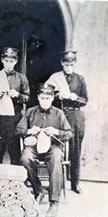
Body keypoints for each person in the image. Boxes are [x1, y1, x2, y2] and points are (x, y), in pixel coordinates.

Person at [16, 83, 73, 217]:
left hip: (53, 146)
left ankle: (54, 202)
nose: (45, 101)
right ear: (38, 98)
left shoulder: (59, 113)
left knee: (56, 158)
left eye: (48, 98)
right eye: (42, 98)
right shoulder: (30, 112)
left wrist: (57, 132)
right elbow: (18, 130)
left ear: (52, 98)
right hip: (34, 145)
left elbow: (69, 133)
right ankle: (38, 189)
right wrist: (30, 130)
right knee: (25, 157)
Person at [46, 50, 88, 194]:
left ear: (74, 64)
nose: (68, 66)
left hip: (76, 116)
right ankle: (56, 181)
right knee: (56, 146)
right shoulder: (55, 78)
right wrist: (57, 95)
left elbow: (85, 100)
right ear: (61, 63)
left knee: (75, 148)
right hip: (60, 115)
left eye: (71, 64)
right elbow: (46, 94)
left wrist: (75, 97)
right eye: (66, 64)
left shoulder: (80, 79)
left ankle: (75, 182)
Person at [0, 47, 30, 165]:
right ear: (2, 60)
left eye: (12, 61)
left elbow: (27, 98)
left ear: (16, 61)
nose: (9, 64)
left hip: (14, 117)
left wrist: (18, 95)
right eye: (6, 60)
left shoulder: (21, 78)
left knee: (14, 148)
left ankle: (15, 178)